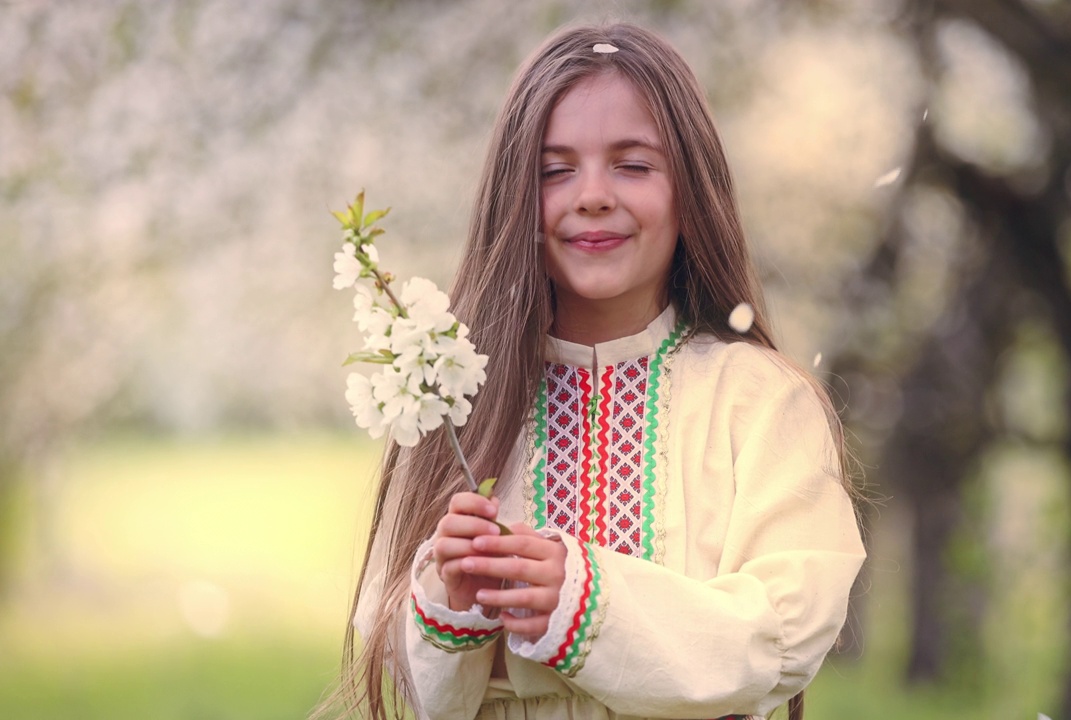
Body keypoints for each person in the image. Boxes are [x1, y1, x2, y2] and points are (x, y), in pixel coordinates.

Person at [333, 22, 866, 720]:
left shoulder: (763, 403)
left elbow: (786, 627)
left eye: (633, 165)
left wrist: (588, 605)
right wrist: (452, 608)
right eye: (555, 170)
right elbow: (416, 684)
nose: (591, 195)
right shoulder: (459, 403)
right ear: (514, 198)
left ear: (691, 191)